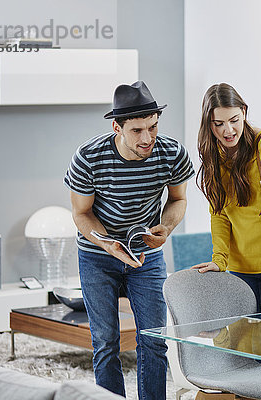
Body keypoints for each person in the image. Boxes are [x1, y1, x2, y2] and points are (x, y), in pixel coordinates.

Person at [64, 80, 194, 399]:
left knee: (154, 338)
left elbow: (178, 200)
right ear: (117, 126)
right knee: (106, 342)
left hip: (146, 256)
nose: (147, 138)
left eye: (153, 127)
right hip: (98, 255)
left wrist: (165, 226)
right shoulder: (88, 157)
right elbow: (81, 213)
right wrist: (107, 243)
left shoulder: (172, 154)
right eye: (137, 130)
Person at [192, 82, 261, 314]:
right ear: (209, 124)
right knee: (242, 346)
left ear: (243, 111)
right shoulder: (214, 155)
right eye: (219, 124)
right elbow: (219, 214)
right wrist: (219, 259)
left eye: (234, 120)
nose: (228, 130)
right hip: (241, 268)